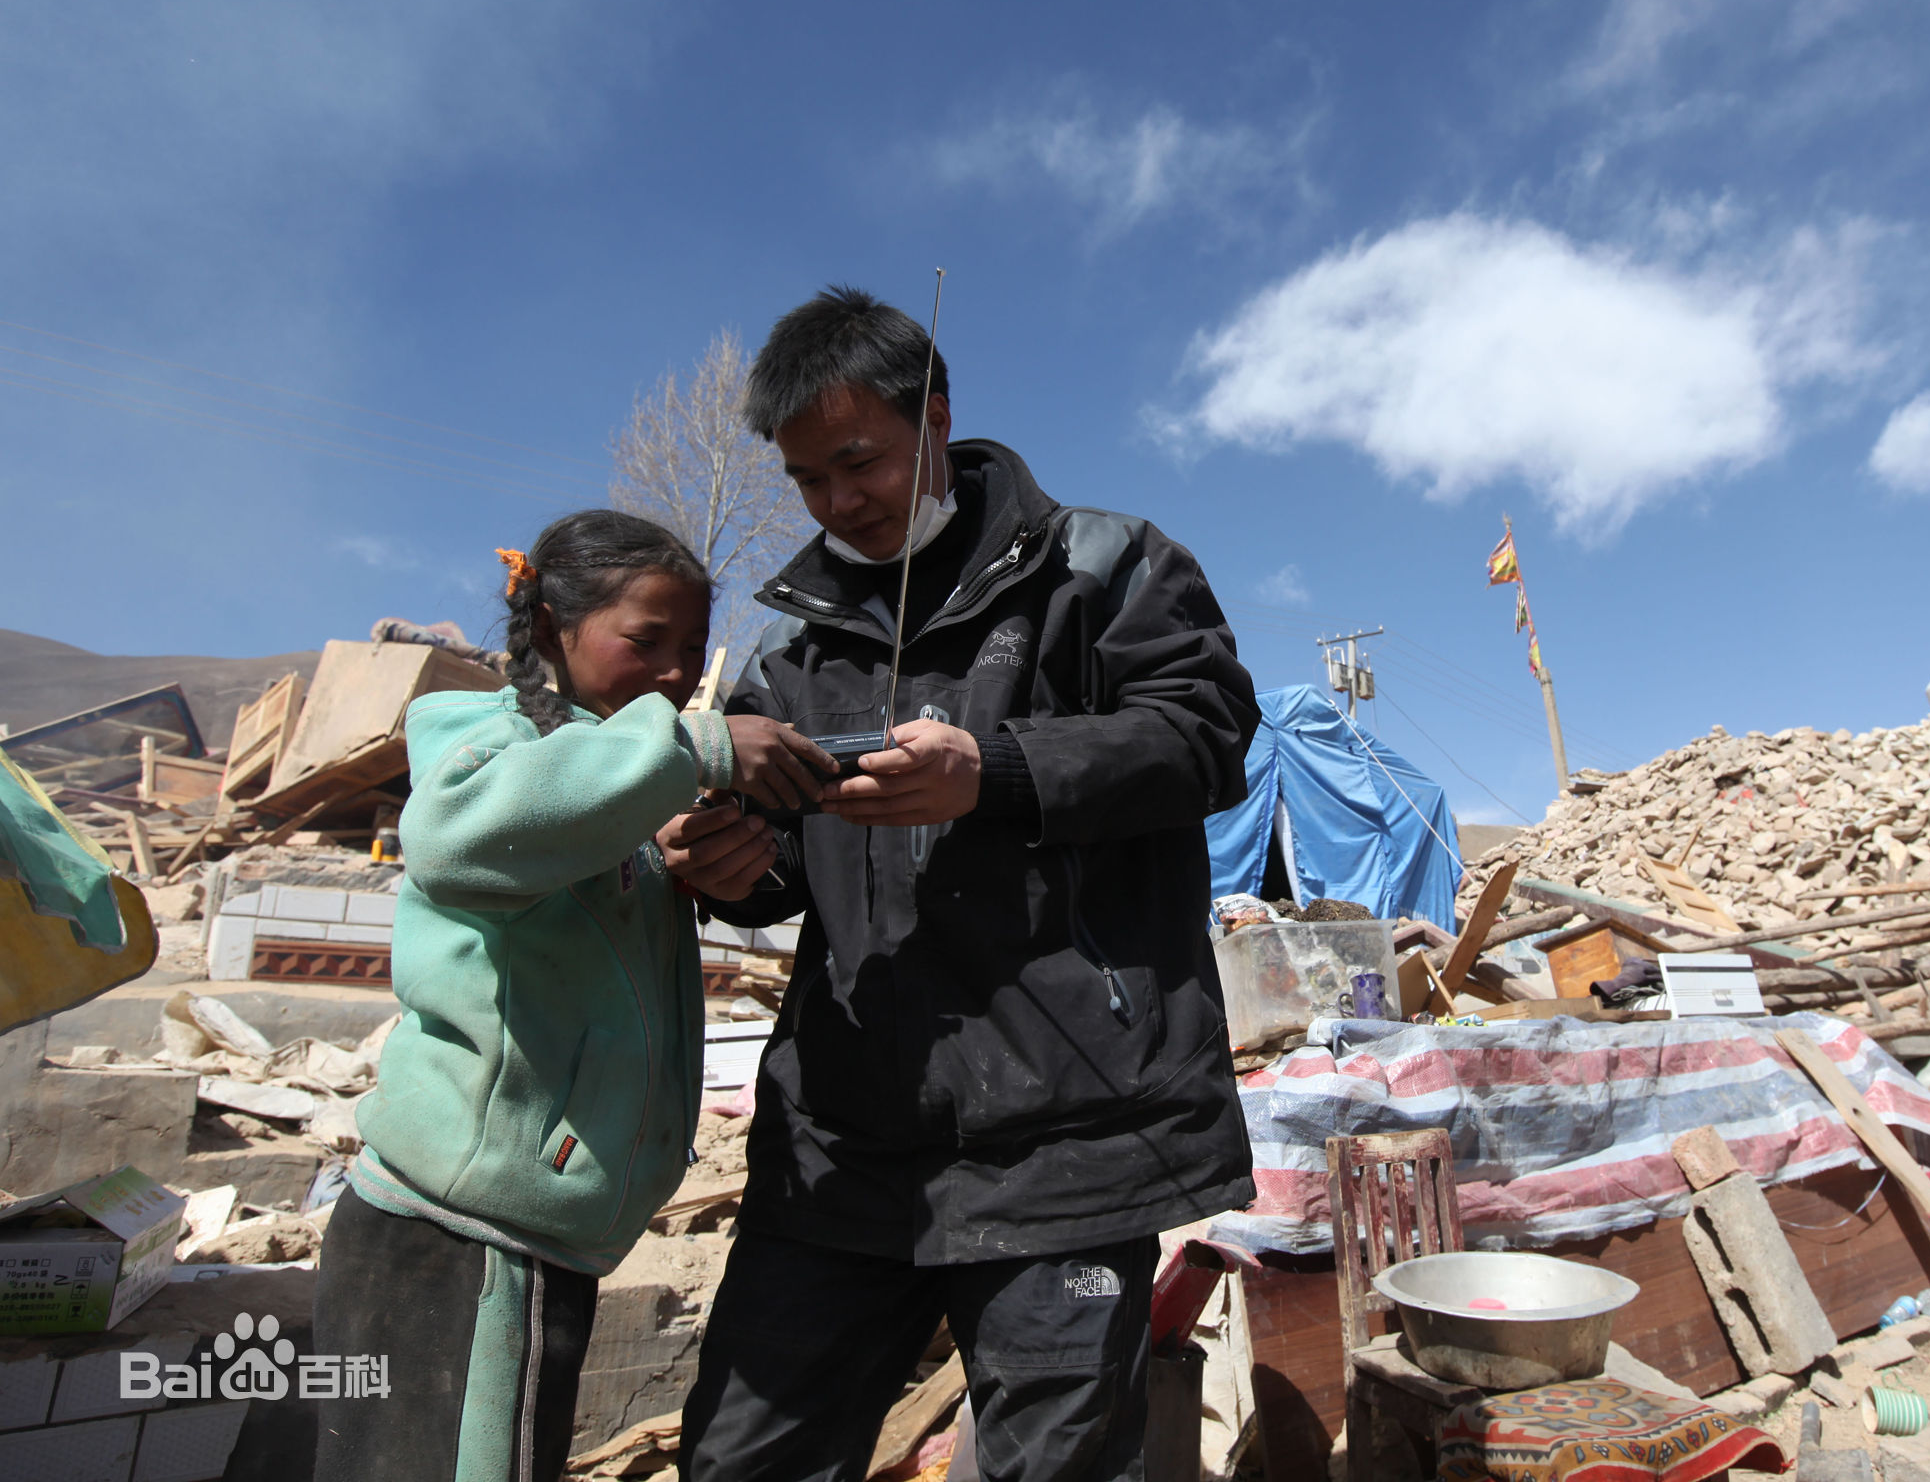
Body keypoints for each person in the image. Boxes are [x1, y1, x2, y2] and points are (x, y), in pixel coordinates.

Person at [663, 286, 1261, 1481]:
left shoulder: (1104, 568)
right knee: (742, 1458)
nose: (841, 502)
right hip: (843, 1149)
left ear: (935, 418)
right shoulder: (791, 649)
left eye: (861, 461)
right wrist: (726, 868)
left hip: (1071, 1139)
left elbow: (1206, 734)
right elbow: (784, 870)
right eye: (808, 481)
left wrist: (998, 770)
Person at [315, 509, 827, 1482]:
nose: (676, 672)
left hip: (530, 1239)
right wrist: (698, 747)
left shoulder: (612, 787)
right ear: (553, 628)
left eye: (691, 649)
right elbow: (463, 832)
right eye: (647, 641)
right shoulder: (485, 734)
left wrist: (681, 855)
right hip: (462, 1242)